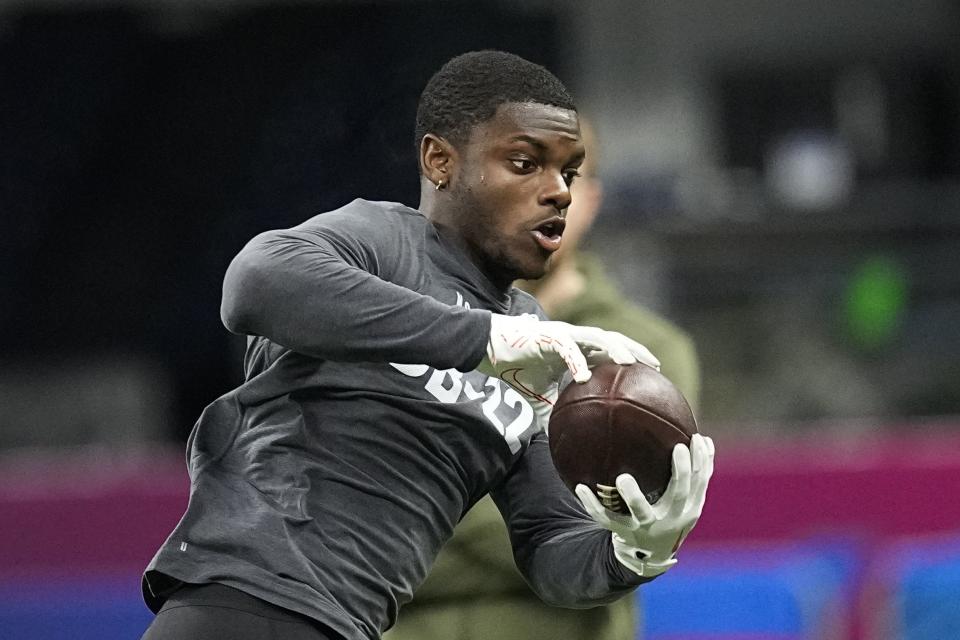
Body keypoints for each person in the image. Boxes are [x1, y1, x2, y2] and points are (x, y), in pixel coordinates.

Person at [140, 50, 714, 640]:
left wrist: (630, 552)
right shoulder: (383, 241)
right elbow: (254, 284)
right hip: (241, 604)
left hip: (350, 627)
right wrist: (483, 339)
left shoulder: (539, 344)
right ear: (440, 161)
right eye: (525, 163)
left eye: (569, 173)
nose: (558, 193)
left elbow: (548, 549)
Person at [385, 119, 701, 640]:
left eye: (560, 177)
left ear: (589, 200)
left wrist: (425, 521)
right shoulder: (409, 329)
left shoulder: (649, 351)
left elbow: (607, 528)